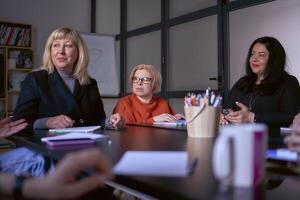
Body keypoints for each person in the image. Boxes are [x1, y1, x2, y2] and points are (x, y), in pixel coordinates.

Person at [13, 27, 124, 129]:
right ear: (50, 50)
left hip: (85, 146)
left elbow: (97, 120)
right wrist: (47, 122)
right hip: (49, 146)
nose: (61, 51)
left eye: (68, 46)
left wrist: (111, 122)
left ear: (79, 52)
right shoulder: (35, 79)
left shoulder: (90, 83)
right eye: (56, 45)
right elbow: (18, 122)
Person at [0, 117, 113, 199]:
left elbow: (98, 117)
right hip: (49, 150)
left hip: (85, 144)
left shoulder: (90, 83)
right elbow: (23, 117)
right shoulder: (34, 83)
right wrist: (31, 188)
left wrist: (109, 121)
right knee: (40, 158)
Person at [220, 36, 300, 127]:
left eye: (261, 55)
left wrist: (252, 117)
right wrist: (222, 115)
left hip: (271, 138)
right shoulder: (242, 82)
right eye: (252, 54)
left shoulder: (288, 82)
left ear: (273, 59)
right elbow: (227, 108)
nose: (254, 59)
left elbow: (291, 117)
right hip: (241, 136)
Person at [113, 64, 184, 124]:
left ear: (155, 83)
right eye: (135, 79)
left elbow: (172, 126)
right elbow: (126, 131)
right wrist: (153, 120)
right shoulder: (124, 103)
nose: (139, 83)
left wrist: (178, 119)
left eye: (145, 79)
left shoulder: (163, 103)